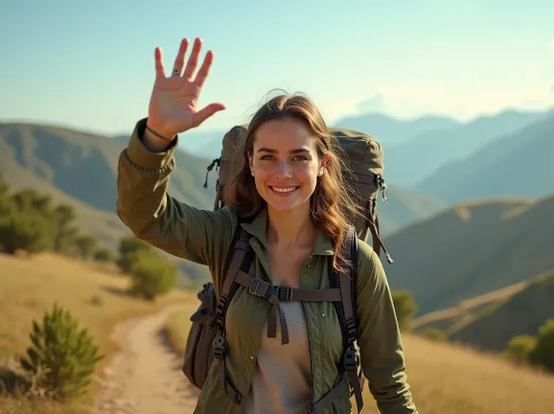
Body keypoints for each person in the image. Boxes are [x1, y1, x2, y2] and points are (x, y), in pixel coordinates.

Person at [116, 37, 418, 414]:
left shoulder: (356, 263)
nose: (283, 172)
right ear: (251, 162)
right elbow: (146, 216)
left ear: (322, 163)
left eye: (298, 157)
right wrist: (157, 136)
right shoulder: (227, 237)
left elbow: (390, 384)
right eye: (268, 157)